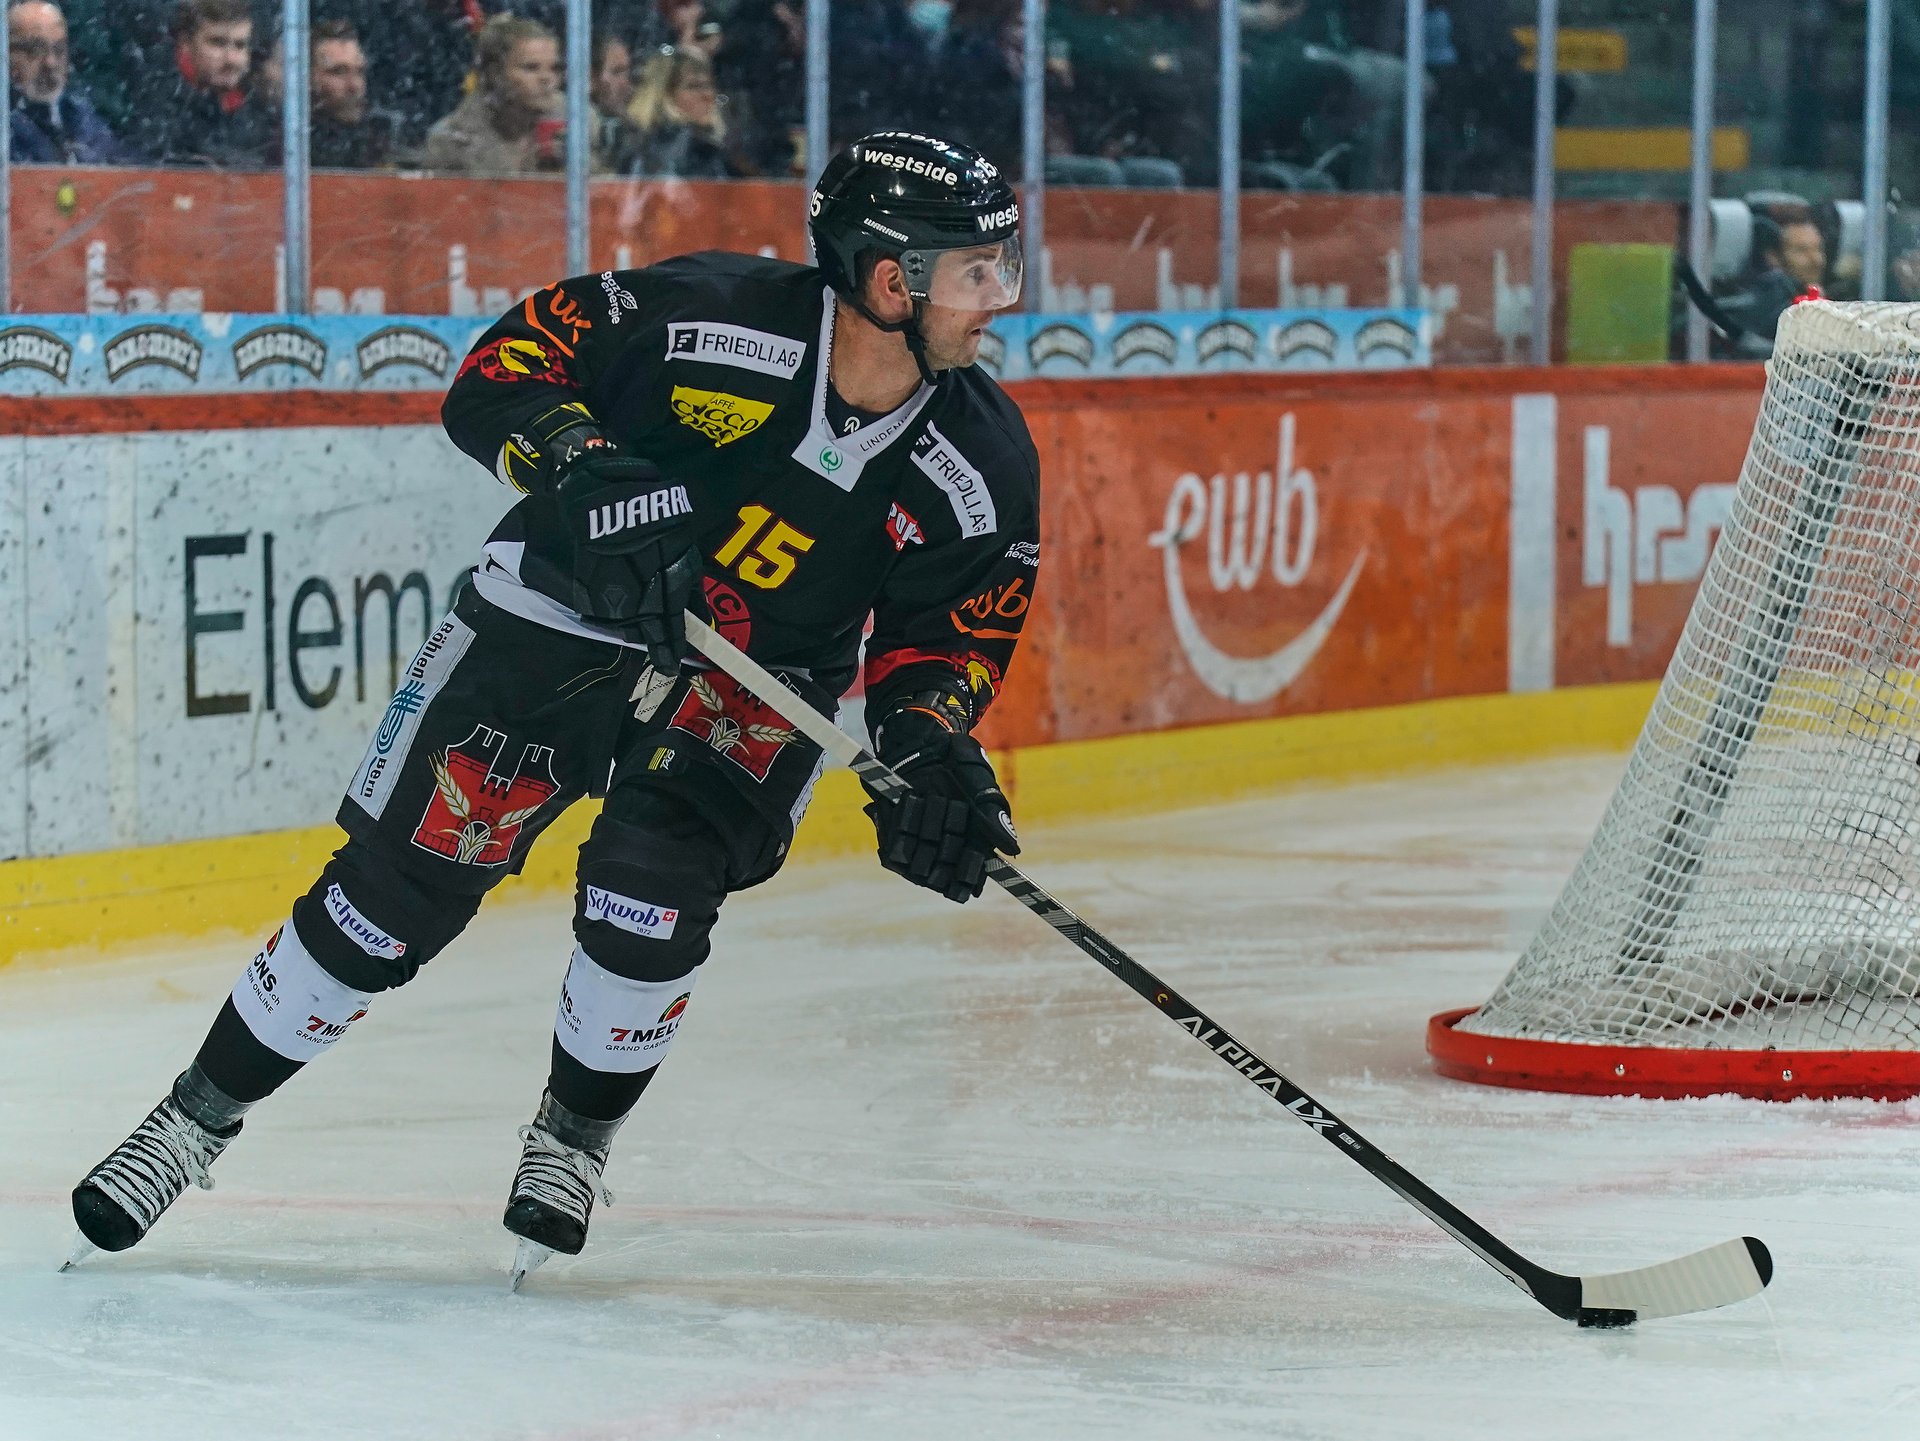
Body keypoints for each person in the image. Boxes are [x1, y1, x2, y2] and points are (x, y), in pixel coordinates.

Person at [66, 132, 1041, 1289]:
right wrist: (578, 465)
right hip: (556, 619)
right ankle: (193, 1118)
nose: (1002, 298)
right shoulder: (708, 318)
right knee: (392, 898)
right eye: (978, 270)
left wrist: (929, 741)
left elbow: (947, 639)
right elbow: (504, 368)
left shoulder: (982, 457)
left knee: (650, 894)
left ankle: (572, 1140)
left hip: (754, 683)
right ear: (890, 279)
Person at [420, 14, 562, 175]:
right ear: (495, 74)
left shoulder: (577, 127)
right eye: (531, 67)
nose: (547, 78)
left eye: (554, 68)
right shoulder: (452, 142)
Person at [135, 0, 271, 167]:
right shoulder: (156, 101)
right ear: (186, 43)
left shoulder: (255, 103)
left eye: (240, 45)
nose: (231, 59)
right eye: (217, 43)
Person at [7, 0, 129, 163]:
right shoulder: (6, 125)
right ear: (5, 53)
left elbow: (127, 168)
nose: (50, 63)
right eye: (35, 50)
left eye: (59, 49)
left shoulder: (80, 117)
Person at [627, 45, 728, 178]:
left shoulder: (709, 149)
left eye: (708, 85)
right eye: (694, 86)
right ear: (665, 95)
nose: (708, 95)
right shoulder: (669, 151)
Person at [589, 31, 643, 174]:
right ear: (591, 78)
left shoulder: (638, 128)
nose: (626, 82)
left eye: (627, 72)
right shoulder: (573, 129)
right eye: (617, 72)